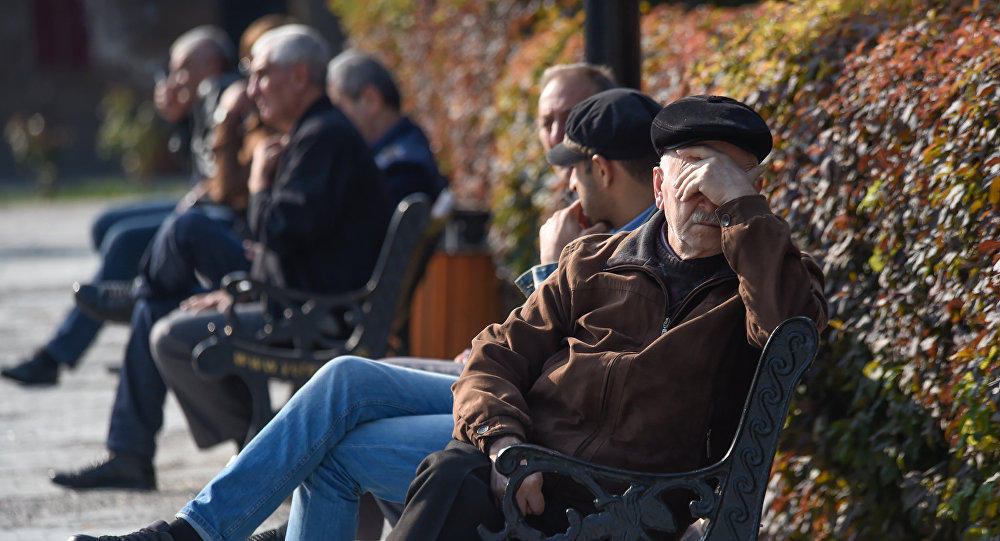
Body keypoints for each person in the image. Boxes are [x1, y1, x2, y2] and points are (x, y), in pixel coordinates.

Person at [67, 78, 659, 541]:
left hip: (540, 422)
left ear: (603, 169)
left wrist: (554, 266)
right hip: (511, 387)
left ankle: (196, 531)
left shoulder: (642, 253)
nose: (568, 185)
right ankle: (194, 530)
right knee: (344, 380)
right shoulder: (618, 233)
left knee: (334, 445)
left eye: (575, 170)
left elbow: (582, 370)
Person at [386, 95, 829, 540]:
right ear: (658, 187)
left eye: (726, 182)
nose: (709, 200)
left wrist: (741, 209)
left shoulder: (771, 280)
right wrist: (504, 442)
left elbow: (787, 331)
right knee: (451, 472)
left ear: (754, 192)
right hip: (530, 475)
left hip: (638, 503)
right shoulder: (592, 261)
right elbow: (496, 355)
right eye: (692, 178)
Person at [53, 25, 391, 493]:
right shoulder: (314, 132)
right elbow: (291, 240)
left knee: (170, 315)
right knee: (161, 302)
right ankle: (139, 448)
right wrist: (233, 287)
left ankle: (261, 446)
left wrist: (258, 186)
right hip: (291, 294)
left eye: (262, 75)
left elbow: (278, 231)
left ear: (299, 76)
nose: (251, 89)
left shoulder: (323, 137)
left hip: (308, 312)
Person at [1, 26, 236, 386]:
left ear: (213, 63)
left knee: (124, 242)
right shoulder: (206, 98)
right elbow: (195, 162)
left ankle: (60, 354)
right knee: (105, 225)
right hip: (199, 204)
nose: (176, 79)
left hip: (221, 213)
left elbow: (227, 175)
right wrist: (179, 122)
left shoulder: (229, 94)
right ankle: (141, 297)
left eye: (184, 69)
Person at [326, 50, 447, 206]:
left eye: (339, 107)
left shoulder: (404, 167)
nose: (332, 120)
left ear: (371, 100)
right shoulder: (403, 148)